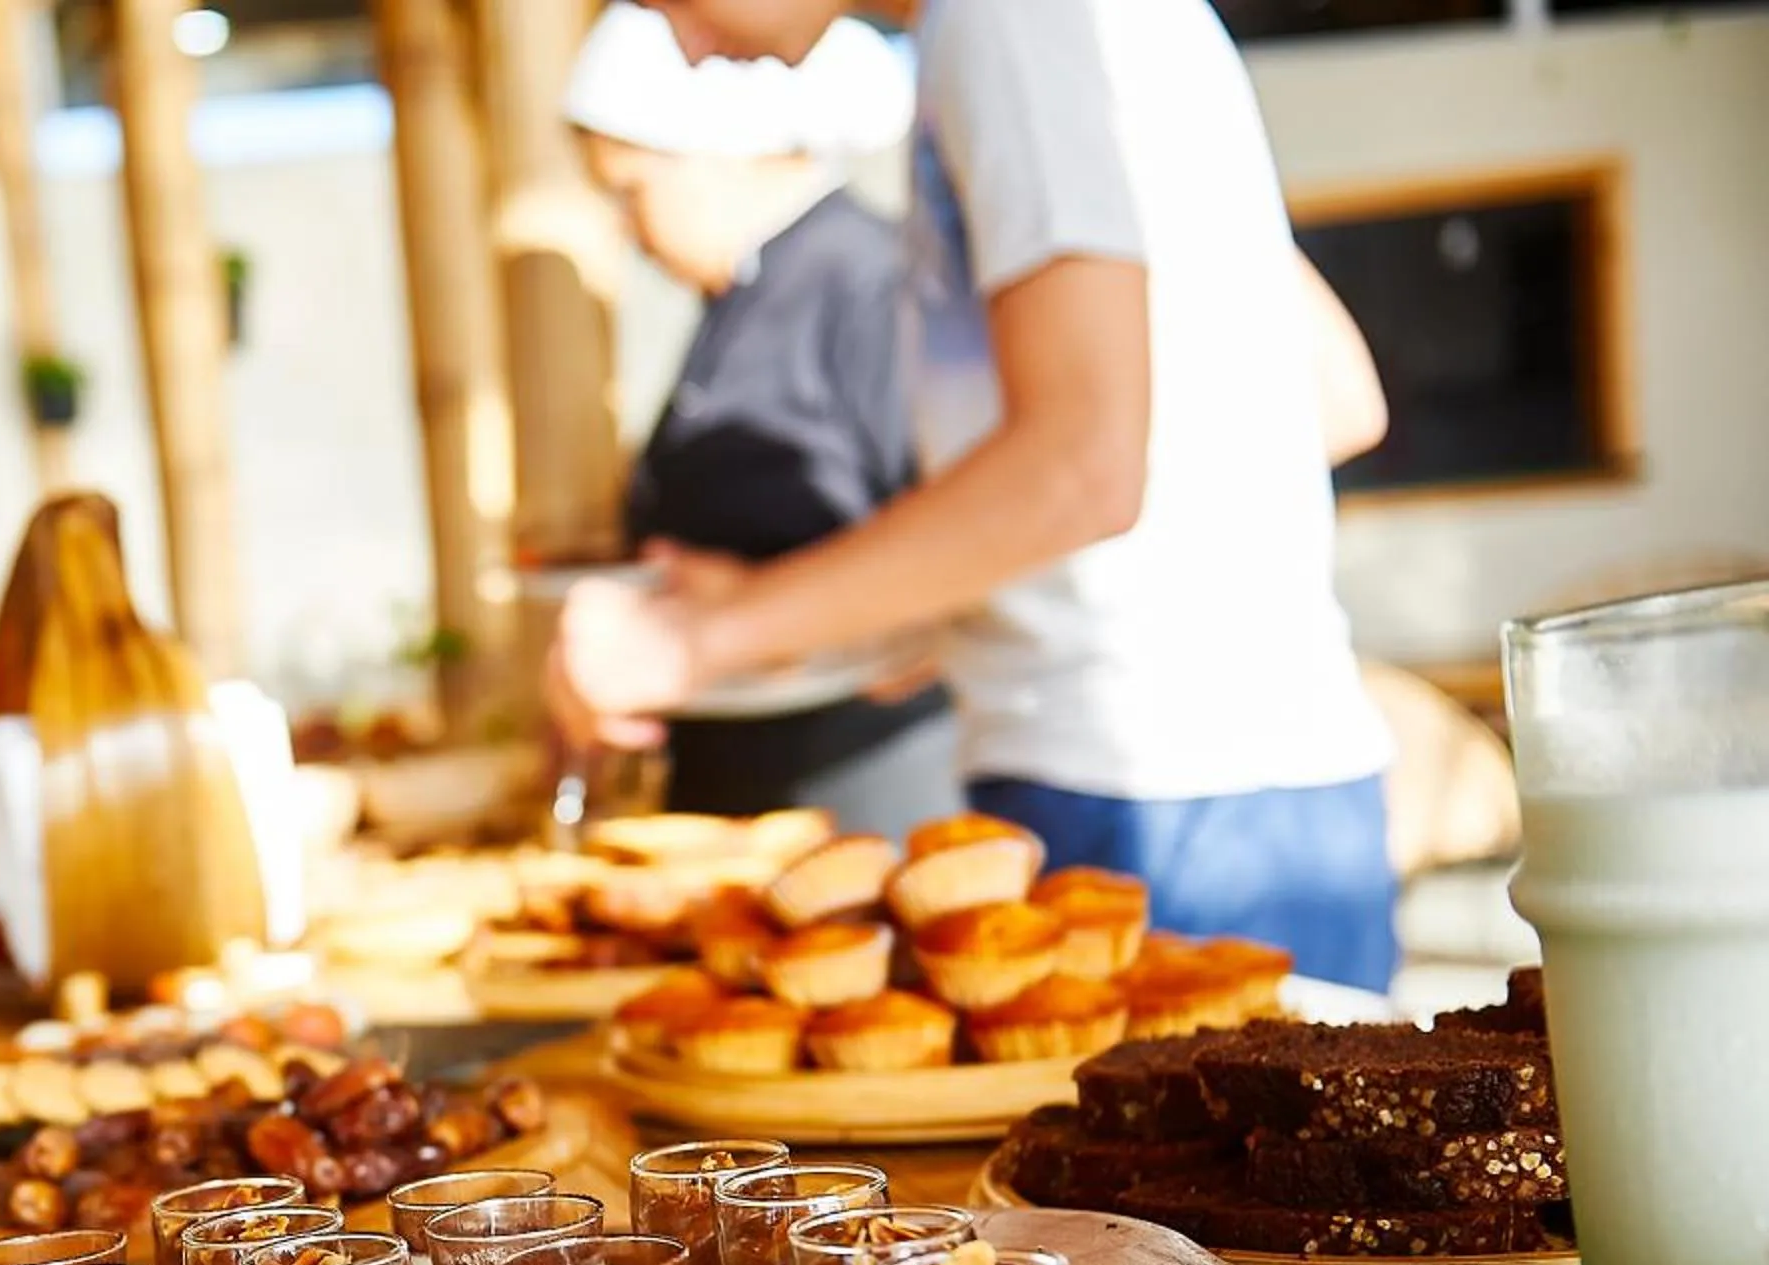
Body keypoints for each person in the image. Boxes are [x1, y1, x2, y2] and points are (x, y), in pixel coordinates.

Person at [549, 0, 1403, 989]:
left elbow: (1084, 463)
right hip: (1240, 787)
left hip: (1147, 800)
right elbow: (1333, 397)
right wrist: (894, 607)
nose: (681, 45)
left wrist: (692, 643)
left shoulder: (1017, 21)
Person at [566, 8, 957, 832]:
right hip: (753, 782)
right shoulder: (743, 296)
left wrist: (732, 616)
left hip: (858, 786)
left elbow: (960, 551)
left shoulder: (868, 286)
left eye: (633, 192)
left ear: (719, 151)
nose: (627, 231)